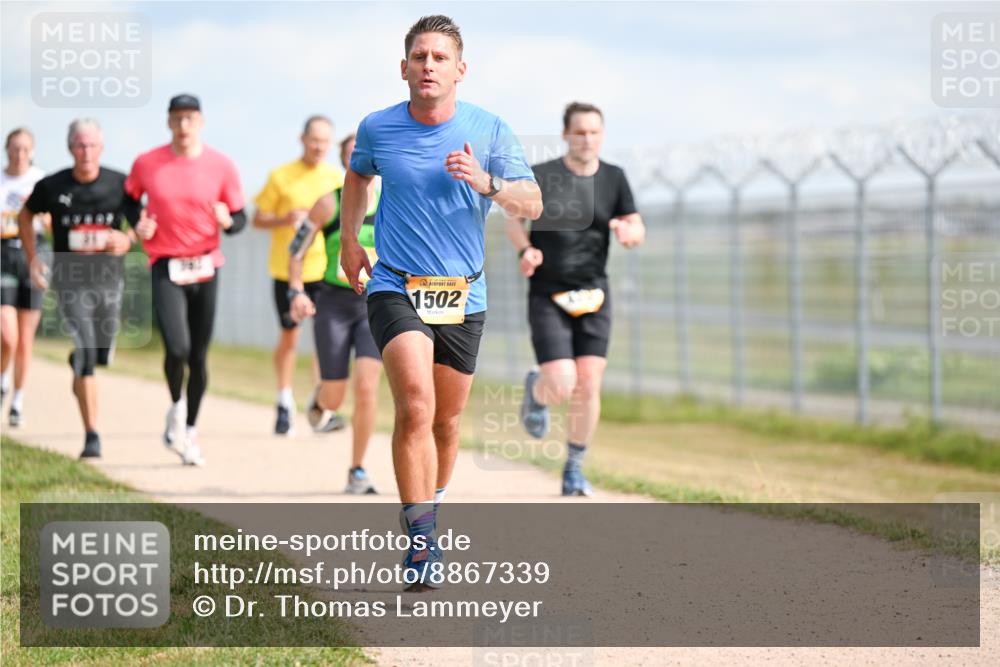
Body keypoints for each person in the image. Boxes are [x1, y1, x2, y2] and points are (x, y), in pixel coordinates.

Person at [339, 15, 542, 589]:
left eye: (439, 57)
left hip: (463, 291)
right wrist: (352, 241)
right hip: (396, 285)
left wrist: (487, 182)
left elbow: (534, 204)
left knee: (448, 424)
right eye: (419, 56)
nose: (429, 66)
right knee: (417, 407)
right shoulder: (378, 127)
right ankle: (422, 542)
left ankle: (431, 505)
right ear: (403, 67)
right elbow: (358, 179)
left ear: (460, 69)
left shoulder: (491, 129)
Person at [506, 102, 645, 497]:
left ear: (602, 135)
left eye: (594, 132)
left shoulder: (615, 178)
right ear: (566, 134)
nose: (587, 139)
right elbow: (514, 218)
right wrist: (525, 250)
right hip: (548, 293)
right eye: (580, 132)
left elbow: (635, 223)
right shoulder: (543, 176)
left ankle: (574, 467)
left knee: (589, 385)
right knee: (562, 382)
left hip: (595, 293)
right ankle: (537, 390)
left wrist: (629, 232)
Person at [126, 94, 247, 466]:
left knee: (198, 354)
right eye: (177, 119)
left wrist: (228, 221)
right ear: (168, 123)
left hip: (206, 266)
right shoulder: (148, 163)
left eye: (190, 118)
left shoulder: (222, 165)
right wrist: (137, 223)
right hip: (166, 264)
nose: (183, 126)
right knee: (176, 347)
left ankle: (190, 430)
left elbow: (240, 219)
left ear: (201, 122)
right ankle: (176, 407)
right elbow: (129, 200)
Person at [19, 119, 138, 458]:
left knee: (99, 355)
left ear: (102, 147)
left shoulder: (121, 184)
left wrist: (126, 239)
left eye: (92, 145)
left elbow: (145, 223)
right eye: (80, 145)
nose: (86, 152)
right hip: (70, 281)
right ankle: (92, 435)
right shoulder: (52, 186)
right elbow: (25, 215)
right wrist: (33, 258)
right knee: (86, 354)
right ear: (71, 148)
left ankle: (82, 360)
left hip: (109, 281)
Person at [289, 133, 382, 494]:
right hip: (334, 305)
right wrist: (296, 289)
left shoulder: (391, 203)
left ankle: (357, 469)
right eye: (353, 157)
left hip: (375, 303)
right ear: (347, 163)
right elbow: (297, 250)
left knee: (367, 386)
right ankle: (320, 400)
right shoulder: (328, 203)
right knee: (335, 397)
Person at [253, 116, 342, 436]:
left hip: (325, 270)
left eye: (324, 141)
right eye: (314, 140)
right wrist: (282, 220)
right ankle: (284, 401)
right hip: (287, 270)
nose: (319, 146)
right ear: (302, 139)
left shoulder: (336, 179)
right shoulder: (281, 176)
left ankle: (322, 409)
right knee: (290, 337)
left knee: (326, 342)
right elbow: (257, 219)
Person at [1, 128, 47, 426]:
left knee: (25, 338)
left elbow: (53, 225)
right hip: (3, 255)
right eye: (14, 148)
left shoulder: (42, 182)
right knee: (8, 336)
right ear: (6, 149)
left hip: (34, 256)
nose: (19, 154)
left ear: (32, 152)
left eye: (25, 149)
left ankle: (18, 398)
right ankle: (2, 375)